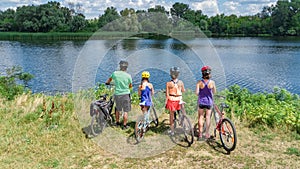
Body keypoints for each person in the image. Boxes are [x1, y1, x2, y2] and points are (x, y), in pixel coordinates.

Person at [106, 60, 132, 130]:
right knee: (125, 111)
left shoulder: (115, 73)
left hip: (117, 94)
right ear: (126, 67)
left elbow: (109, 80)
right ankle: (124, 125)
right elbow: (130, 86)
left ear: (120, 66)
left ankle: (117, 123)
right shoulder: (128, 76)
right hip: (126, 94)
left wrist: (108, 83)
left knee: (117, 109)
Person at [196, 65, 216, 141]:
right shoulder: (212, 82)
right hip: (209, 102)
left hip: (201, 102)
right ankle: (207, 134)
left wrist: (201, 92)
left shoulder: (199, 82)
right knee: (208, 117)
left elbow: (197, 93)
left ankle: (200, 134)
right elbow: (214, 92)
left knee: (200, 117)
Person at [165, 67, 185, 135]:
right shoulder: (181, 82)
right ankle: (184, 123)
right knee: (182, 112)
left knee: (171, 116)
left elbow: (167, 95)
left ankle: (172, 131)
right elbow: (183, 90)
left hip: (172, 100)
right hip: (179, 99)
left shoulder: (168, 83)